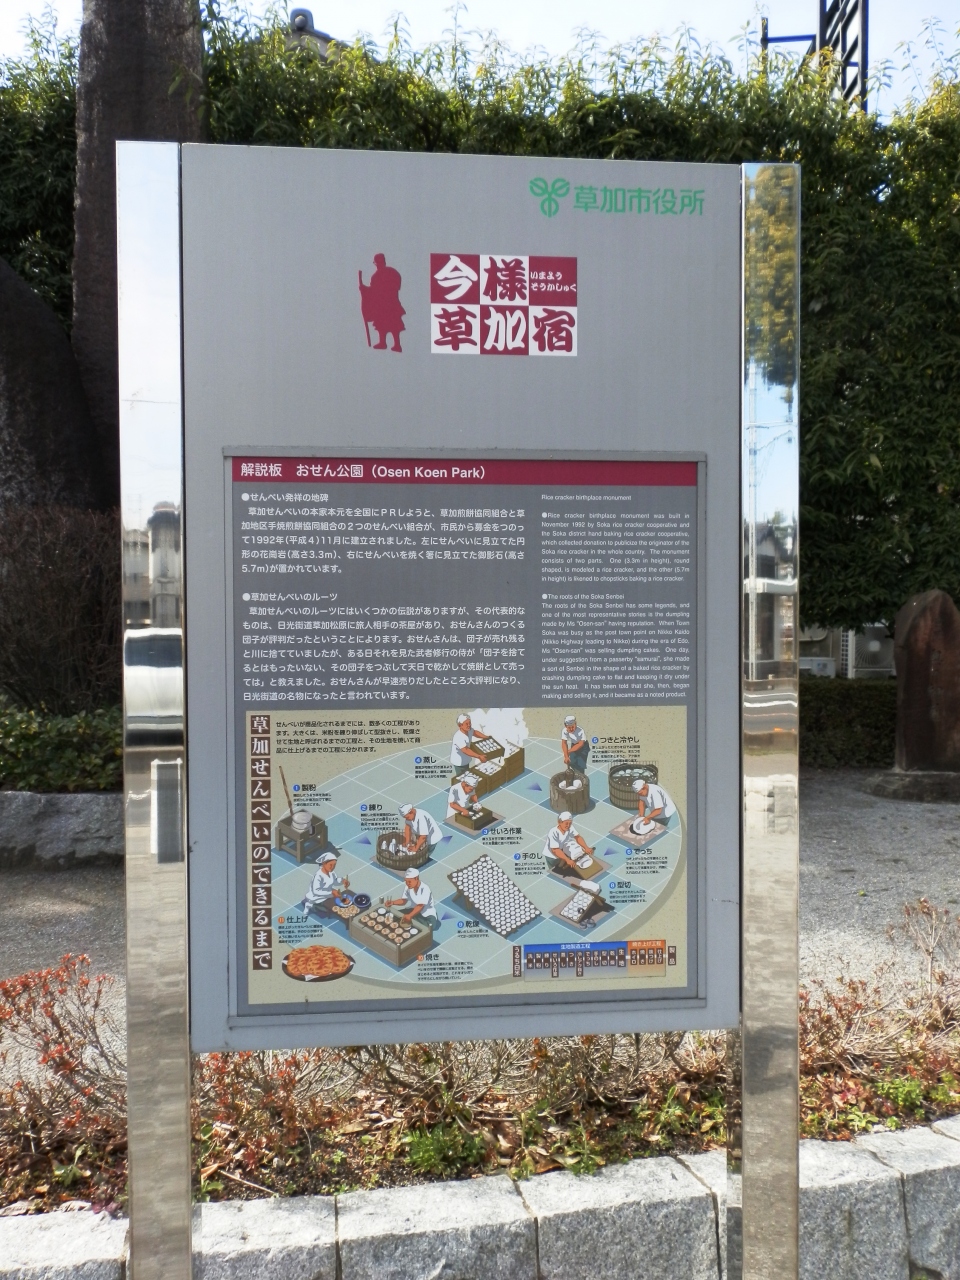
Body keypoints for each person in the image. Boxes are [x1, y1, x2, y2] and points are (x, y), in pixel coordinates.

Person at [358, 253, 405, 351]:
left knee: (393, 324)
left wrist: (365, 289)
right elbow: (373, 291)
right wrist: (364, 289)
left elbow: (375, 291)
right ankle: (383, 342)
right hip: (383, 305)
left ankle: (396, 344)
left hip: (389, 304)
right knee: (382, 324)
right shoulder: (379, 275)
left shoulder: (387, 273)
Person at [543, 811, 595, 875]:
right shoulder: (553, 832)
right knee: (556, 873)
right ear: (559, 822)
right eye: (566, 823)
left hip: (562, 852)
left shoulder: (569, 827)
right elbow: (555, 850)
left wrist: (586, 848)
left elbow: (577, 837)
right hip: (552, 857)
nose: (568, 825)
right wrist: (567, 860)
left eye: (570, 823)